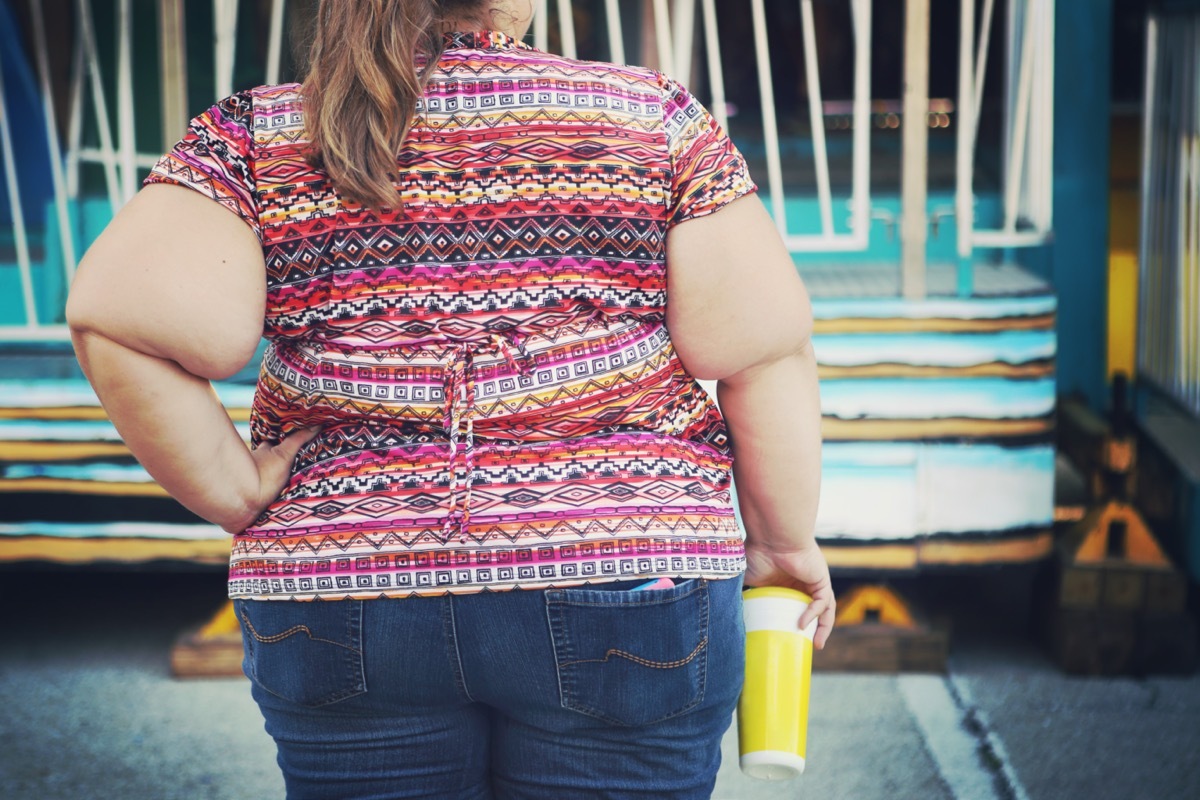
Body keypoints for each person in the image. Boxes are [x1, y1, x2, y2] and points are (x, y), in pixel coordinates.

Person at [66, 1, 833, 797]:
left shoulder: (255, 137)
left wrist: (230, 489)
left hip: (342, 585)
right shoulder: (652, 120)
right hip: (630, 580)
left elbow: (113, 317)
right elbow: (764, 352)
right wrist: (782, 544)